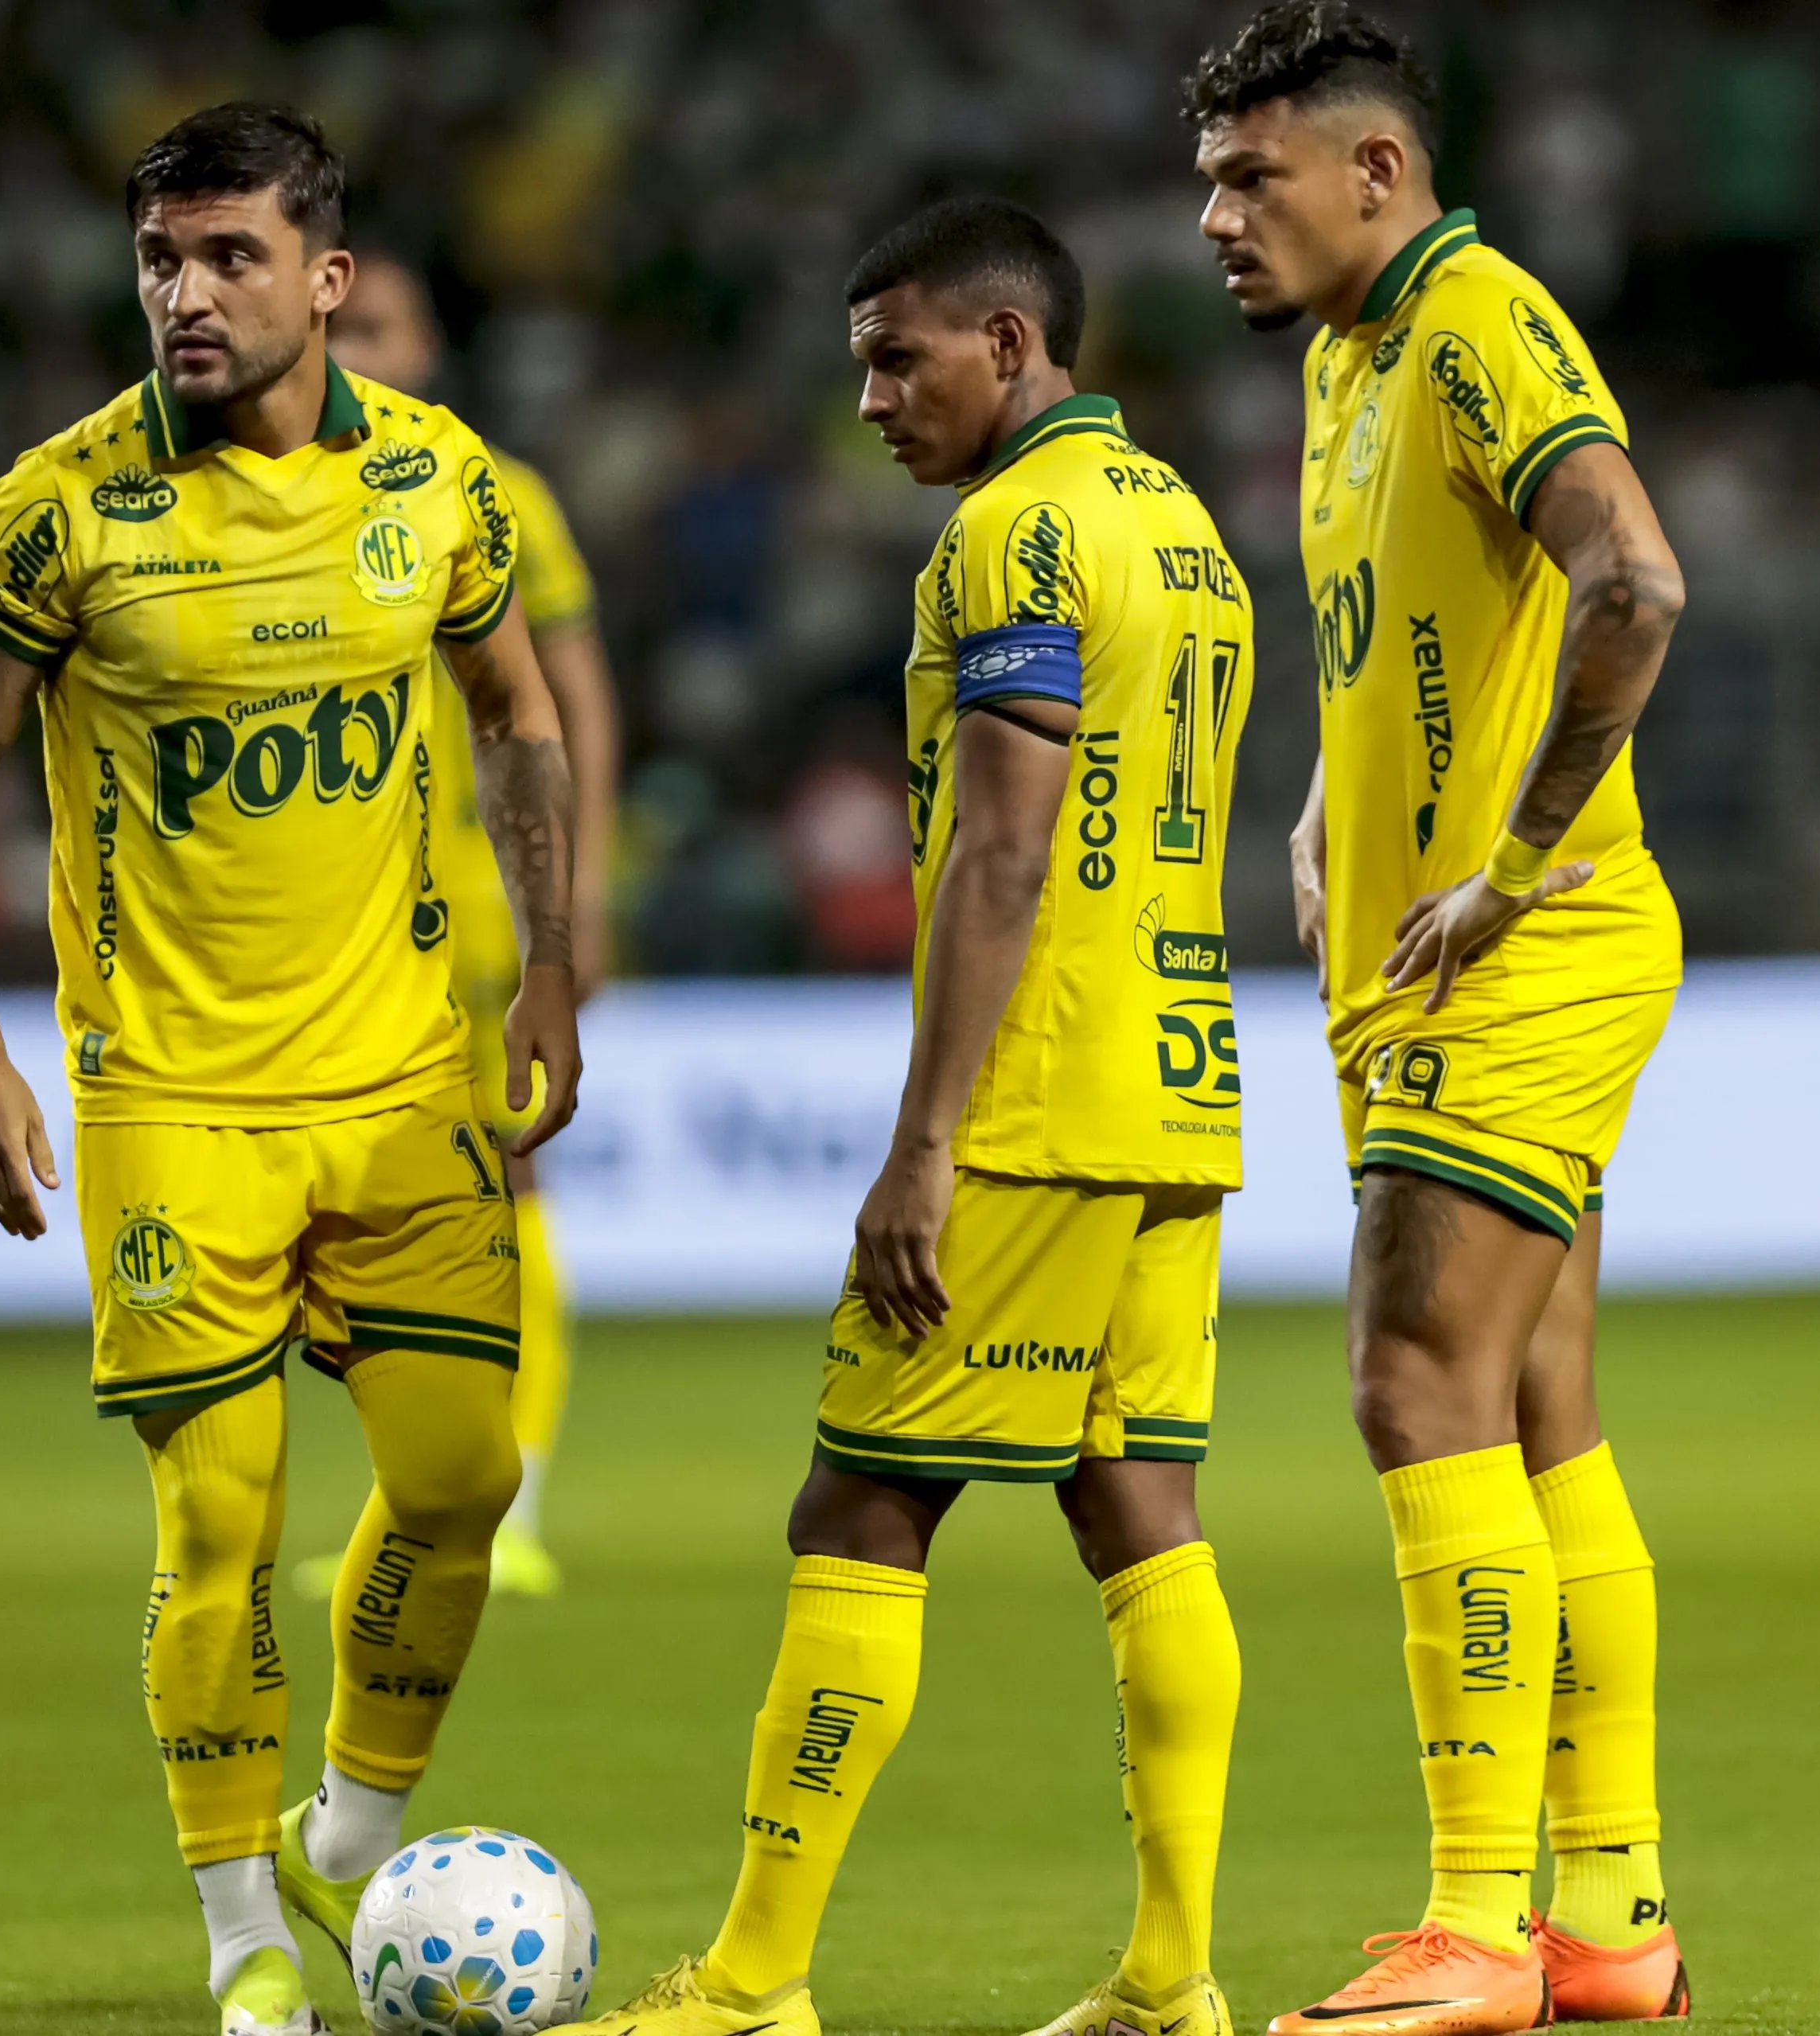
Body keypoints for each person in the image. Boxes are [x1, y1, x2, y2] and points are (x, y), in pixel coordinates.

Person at [0, 102, 583, 2036]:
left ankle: (342, 1850)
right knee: (221, 1523)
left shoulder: (438, 485)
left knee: (464, 1477)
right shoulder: (64, 506)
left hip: (400, 1081)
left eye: (228, 260)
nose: (185, 297)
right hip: (173, 1096)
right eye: (160, 263)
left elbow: (517, 714)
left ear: (328, 281)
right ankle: (244, 1950)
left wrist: (551, 971)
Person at [552, 197, 1254, 2036]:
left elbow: (1007, 849)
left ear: (1010, 347)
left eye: (897, 355)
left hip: (1036, 1095)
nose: (867, 397)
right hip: (1178, 1078)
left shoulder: (1014, 536)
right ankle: (1174, 1976)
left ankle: (756, 1982)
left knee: (859, 1499)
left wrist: (926, 1136)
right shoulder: (1180, 528)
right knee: (1139, 1502)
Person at [1186, 4, 1693, 2029]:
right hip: (1430, 963)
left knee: (1413, 1385)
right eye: (1209, 178)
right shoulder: (1348, 358)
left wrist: (1517, 845)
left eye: (1251, 176)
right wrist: (1339, 790)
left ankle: (1477, 1924)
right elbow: (1417, 619)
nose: (1215, 215)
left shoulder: (1479, 316)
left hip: (1520, 951)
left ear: (1375, 172)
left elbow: (1632, 583)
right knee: (1536, 1411)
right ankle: (1614, 1916)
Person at [320, 249, 621, 1600]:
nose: (361, 351)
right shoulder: (259, 507)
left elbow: (575, 703)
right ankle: (415, 1496)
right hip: (323, 924)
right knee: (344, 1219)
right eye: (342, 329)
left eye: (383, 324)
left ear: (431, 347)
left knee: (505, 1188)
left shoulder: (498, 495)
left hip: (471, 912)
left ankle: (516, 1501)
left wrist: (580, 890)